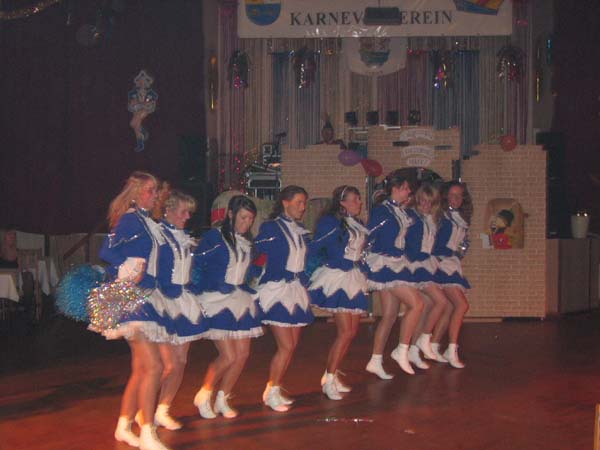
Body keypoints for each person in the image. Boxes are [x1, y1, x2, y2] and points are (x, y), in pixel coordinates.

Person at [99, 171, 175, 450]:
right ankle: (147, 432)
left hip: (148, 296)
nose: (155, 195)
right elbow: (106, 251)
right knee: (154, 366)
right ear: (135, 193)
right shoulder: (131, 219)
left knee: (141, 368)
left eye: (156, 190)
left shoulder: (147, 221)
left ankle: (123, 426)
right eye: (150, 190)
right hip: (133, 298)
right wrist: (129, 267)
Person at [191, 195, 263, 419]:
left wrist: (255, 272)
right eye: (243, 217)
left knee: (242, 354)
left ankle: (223, 398)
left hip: (239, 299)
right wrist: (211, 285)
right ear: (230, 214)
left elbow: (244, 271)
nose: (247, 223)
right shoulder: (215, 237)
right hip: (216, 300)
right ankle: (204, 394)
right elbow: (197, 264)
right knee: (229, 356)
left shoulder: (247, 243)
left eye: (250, 219)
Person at [147, 188, 208, 431]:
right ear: (168, 210)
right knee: (168, 365)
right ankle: (143, 411)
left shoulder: (184, 238)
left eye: (189, 213)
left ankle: (163, 409)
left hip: (183, 300)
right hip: (162, 302)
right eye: (183, 212)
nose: (187, 217)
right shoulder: (158, 235)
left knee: (181, 362)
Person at [254, 185, 314, 412]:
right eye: (299, 202)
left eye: (304, 203)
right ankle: (270, 392)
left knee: (292, 346)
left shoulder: (300, 229)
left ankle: (275, 387)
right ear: (285, 203)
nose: (303, 207)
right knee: (286, 346)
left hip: (295, 290)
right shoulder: (271, 227)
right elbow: (257, 252)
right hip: (277, 289)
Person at [308, 185, 369, 400]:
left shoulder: (357, 223)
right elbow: (316, 247)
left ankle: (331, 375)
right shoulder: (330, 222)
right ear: (342, 202)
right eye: (354, 199)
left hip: (353, 277)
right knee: (344, 332)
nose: (359, 202)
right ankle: (329, 379)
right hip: (337, 277)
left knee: (351, 332)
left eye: (359, 199)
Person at [364, 171, 424, 378]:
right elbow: (369, 235)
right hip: (385, 264)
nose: (409, 192)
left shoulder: (401, 211)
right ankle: (402, 349)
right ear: (395, 189)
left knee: (389, 315)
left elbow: (414, 229)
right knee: (417, 304)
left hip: (396, 262)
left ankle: (375, 360)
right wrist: (365, 262)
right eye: (405, 188)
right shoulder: (382, 211)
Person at [403, 183, 448, 370]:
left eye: (430, 202)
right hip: (415, 265)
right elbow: (407, 242)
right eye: (422, 201)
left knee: (427, 306)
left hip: (426, 264)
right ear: (417, 200)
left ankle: (413, 349)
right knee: (441, 302)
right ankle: (424, 338)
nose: (426, 205)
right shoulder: (412, 217)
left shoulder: (430, 219)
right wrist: (415, 256)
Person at [430, 181, 472, 368]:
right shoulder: (441, 217)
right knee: (461, 305)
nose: (456, 198)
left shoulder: (460, 218)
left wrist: (460, 251)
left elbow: (461, 245)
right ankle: (451, 349)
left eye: (459, 195)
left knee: (449, 307)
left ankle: (434, 345)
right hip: (441, 264)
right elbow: (434, 242)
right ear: (446, 196)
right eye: (452, 195)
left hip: (452, 263)